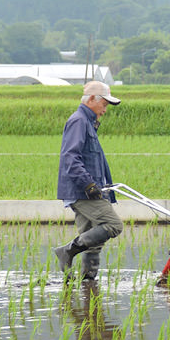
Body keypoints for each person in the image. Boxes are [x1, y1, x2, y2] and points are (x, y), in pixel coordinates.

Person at [54, 81, 124, 280]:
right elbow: (70, 157)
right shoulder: (79, 121)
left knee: (93, 240)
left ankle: (87, 283)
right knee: (114, 225)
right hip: (82, 191)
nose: (105, 110)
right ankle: (67, 251)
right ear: (92, 99)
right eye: (104, 104)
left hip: (88, 189)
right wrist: (88, 184)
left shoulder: (88, 123)